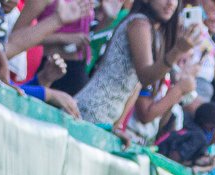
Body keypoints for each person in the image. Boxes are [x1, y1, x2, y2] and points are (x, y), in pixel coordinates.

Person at [74, 0, 204, 128]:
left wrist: (116, 126)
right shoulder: (139, 23)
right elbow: (145, 77)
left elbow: (136, 87)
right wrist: (177, 51)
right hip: (92, 111)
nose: (171, 3)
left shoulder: (154, 30)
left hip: (105, 117)